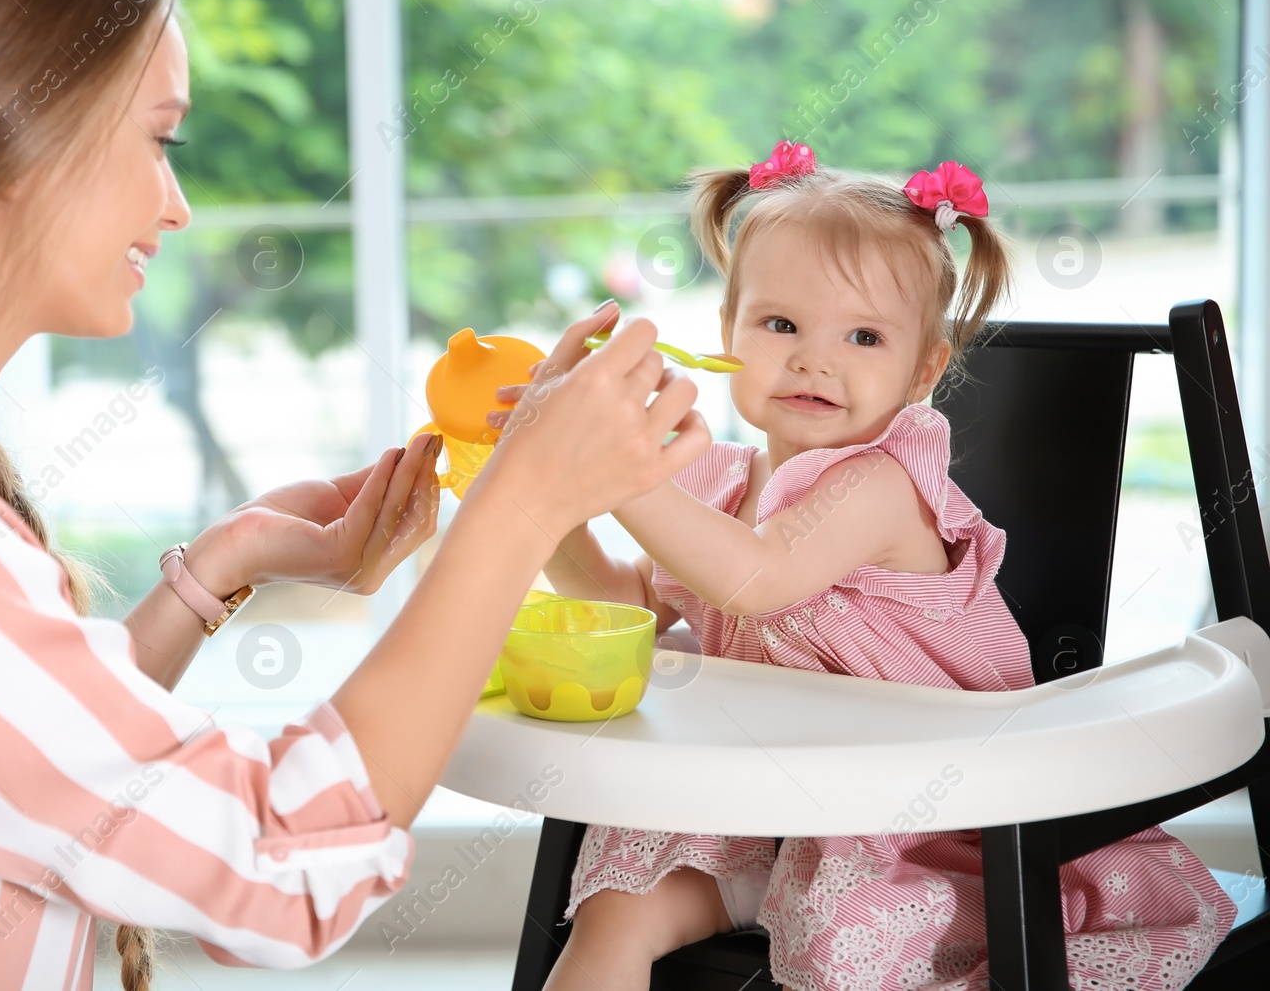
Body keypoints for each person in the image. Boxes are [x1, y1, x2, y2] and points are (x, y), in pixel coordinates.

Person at [0, 0, 705, 988]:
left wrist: (225, 563)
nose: (178, 204)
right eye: (160, 139)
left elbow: (24, 755)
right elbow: (278, 864)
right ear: (12, 131)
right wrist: (521, 503)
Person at [508, 141, 1237, 991]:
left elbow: (759, 577)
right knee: (613, 911)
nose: (817, 359)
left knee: (841, 937)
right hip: (765, 812)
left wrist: (609, 465)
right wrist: (539, 492)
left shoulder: (882, 484)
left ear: (923, 367)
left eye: (864, 336)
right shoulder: (715, 481)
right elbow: (620, 604)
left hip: (928, 827)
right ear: (727, 332)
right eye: (781, 324)